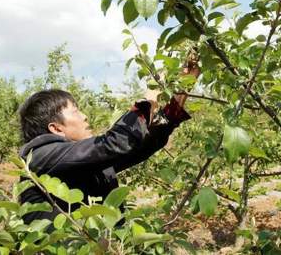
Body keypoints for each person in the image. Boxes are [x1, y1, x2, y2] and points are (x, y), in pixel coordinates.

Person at [18, 63, 199, 226]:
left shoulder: (77, 162)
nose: (85, 116)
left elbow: (137, 148)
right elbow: (114, 143)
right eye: (76, 111)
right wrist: (149, 100)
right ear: (56, 128)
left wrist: (181, 91)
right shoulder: (40, 156)